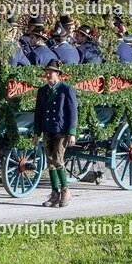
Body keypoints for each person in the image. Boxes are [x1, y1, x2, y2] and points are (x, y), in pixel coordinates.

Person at [33, 59, 78, 208]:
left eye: (50, 72)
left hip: (61, 131)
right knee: (50, 163)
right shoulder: (42, 91)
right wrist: (36, 133)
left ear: (58, 73)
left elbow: (72, 113)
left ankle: (66, 191)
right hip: (48, 129)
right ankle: (54, 194)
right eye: (46, 72)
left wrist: (71, 133)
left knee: (58, 160)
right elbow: (38, 113)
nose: (47, 74)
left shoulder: (66, 89)